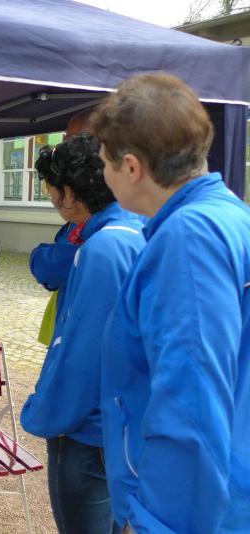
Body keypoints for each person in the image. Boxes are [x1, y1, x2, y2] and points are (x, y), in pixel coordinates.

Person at [92, 73, 250, 533]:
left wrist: (157, 524)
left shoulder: (189, 236)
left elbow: (191, 400)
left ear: (131, 167)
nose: (103, 175)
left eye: (104, 162)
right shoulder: (230, 216)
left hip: (200, 511)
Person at [20, 134, 145, 534]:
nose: (52, 200)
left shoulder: (102, 248)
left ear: (69, 193)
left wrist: (44, 413)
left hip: (90, 431)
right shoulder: (138, 227)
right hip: (128, 423)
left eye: (51, 191)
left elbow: (81, 352)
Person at [30, 110, 92, 346]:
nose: (66, 146)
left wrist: (41, 256)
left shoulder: (108, 235)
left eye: (73, 139)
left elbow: (52, 267)